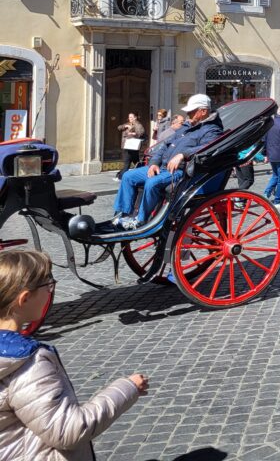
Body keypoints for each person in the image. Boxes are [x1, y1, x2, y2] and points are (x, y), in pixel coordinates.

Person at [0, 250, 147, 459]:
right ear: (24, 299)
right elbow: (68, 430)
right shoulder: (26, 363)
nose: (50, 291)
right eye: (47, 285)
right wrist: (127, 388)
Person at [111, 94, 223, 230]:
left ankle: (141, 220)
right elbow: (164, 145)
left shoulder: (212, 130)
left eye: (192, 111)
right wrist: (153, 163)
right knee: (128, 176)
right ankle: (123, 215)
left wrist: (183, 154)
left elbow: (207, 149)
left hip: (181, 171)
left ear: (203, 111)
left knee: (152, 183)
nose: (188, 113)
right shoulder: (186, 126)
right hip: (162, 166)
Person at [115, 112, 146, 181]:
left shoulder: (138, 125)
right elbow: (119, 127)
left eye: (131, 117)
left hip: (133, 146)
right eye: (129, 117)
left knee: (128, 162)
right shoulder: (127, 124)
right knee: (135, 162)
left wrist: (133, 132)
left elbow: (141, 133)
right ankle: (142, 174)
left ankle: (121, 176)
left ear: (135, 117)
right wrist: (125, 126)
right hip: (126, 146)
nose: (130, 119)